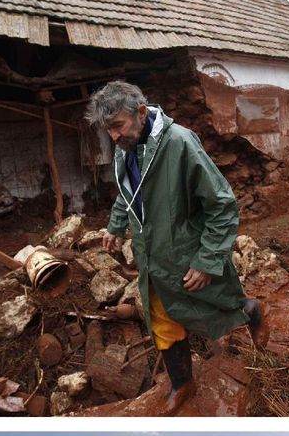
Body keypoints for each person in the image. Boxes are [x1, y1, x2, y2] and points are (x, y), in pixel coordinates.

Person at [85, 80, 269, 415]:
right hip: (152, 257)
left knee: (215, 305)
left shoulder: (181, 143)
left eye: (117, 126)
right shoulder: (126, 147)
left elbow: (223, 205)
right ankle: (183, 383)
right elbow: (129, 193)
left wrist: (207, 260)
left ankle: (251, 311)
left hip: (187, 253)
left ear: (141, 113)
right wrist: (115, 226)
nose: (113, 136)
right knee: (162, 320)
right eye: (107, 129)